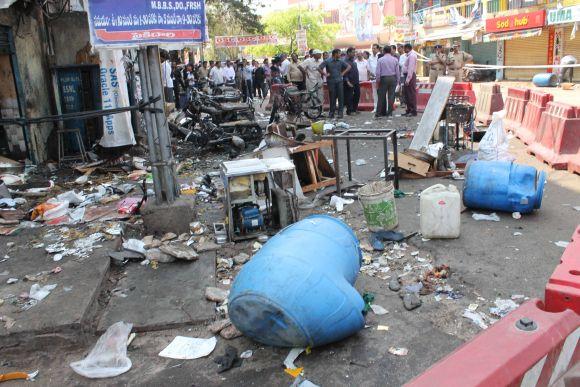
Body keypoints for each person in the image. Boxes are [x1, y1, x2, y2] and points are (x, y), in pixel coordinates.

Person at [319, 48, 351, 119]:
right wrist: (325, 74)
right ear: (335, 54)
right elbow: (319, 68)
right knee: (332, 97)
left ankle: (340, 114)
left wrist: (342, 73)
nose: (340, 55)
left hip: (339, 81)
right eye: (339, 53)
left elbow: (349, 67)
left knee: (341, 97)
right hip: (331, 82)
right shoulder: (327, 61)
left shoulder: (341, 61)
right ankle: (331, 113)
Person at [375, 46, 400, 118]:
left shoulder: (380, 60)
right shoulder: (395, 59)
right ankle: (389, 113)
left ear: (384, 51)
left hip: (384, 78)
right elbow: (397, 71)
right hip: (393, 78)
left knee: (381, 96)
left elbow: (378, 72)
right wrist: (398, 80)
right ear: (390, 51)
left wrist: (378, 81)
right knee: (391, 96)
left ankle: (378, 113)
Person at [343, 47, 361, 115]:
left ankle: (354, 109)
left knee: (357, 94)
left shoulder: (353, 61)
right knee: (349, 96)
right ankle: (349, 111)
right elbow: (344, 73)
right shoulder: (345, 61)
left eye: (354, 52)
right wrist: (347, 81)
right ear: (348, 53)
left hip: (356, 81)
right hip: (349, 81)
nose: (354, 54)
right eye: (353, 52)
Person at [402, 43, 418, 117]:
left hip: (410, 76)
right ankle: (408, 110)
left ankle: (413, 111)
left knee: (411, 94)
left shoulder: (412, 56)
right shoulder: (409, 55)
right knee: (407, 94)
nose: (403, 50)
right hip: (408, 76)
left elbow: (411, 69)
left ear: (407, 48)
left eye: (404, 48)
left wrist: (408, 79)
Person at [368, 43, 380, 113]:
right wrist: (370, 75)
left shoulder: (380, 56)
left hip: (380, 78)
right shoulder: (370, 57)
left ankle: (384, 107)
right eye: (372, 48)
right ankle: (375, 107)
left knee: (382, 94)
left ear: (378, 49)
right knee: (374, 93)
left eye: (375, 48)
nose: (373, 50)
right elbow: (369, 68)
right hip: (373, 78)